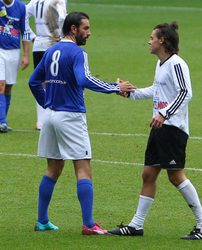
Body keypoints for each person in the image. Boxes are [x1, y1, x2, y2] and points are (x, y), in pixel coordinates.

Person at [28, 12, 135, 235]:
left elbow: (33, 81)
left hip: (50, 117)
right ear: (74, 29)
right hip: (71, 116)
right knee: (83, 168)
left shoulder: (50, 51)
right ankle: (88, 224)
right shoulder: (78, 52)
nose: (89, 33)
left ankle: (42, 220)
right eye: (86, 28)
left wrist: (47, 103)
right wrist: (116, 88)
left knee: (53, 168)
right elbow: (84, 79)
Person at [109, 22, 202, 240]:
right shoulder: (161, 64)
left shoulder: (177, 64)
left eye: (152, 37)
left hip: (172, 128)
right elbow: (157, 90)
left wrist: (164, 114)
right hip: (160, 127)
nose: (149, 41)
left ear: (162, 41)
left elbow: (186, 93)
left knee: (175, 176)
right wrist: (131, 93)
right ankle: (136, 225)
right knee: (148, 174)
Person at [26, 0, 67, 130]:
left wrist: (32, 36)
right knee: (57, 80)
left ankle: (41, 121)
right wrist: (62, 35)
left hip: (38, 44)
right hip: (55, 44)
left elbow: (23, 17)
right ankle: (57, 116)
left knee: (41, 82)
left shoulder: (35, 1)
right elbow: (62, 17)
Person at [0, 0, 31, 132]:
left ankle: (3, 121)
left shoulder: (22, 8)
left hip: (14, 52)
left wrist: (25, 55)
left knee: (8, 87)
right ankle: (2, 122)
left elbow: (26, 32)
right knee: (0, 84)